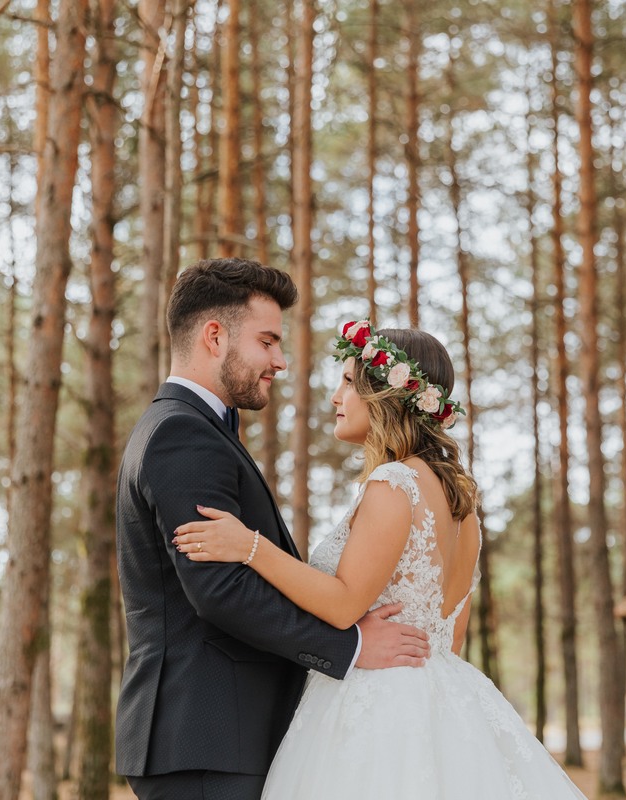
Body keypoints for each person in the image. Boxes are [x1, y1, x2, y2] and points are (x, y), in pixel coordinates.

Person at [174, 321, 588, 799]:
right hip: (448, 701)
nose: (335, 396)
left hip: (376, 706)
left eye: (348, 382)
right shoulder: (462, 503)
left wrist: (249, 546)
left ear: (386, 395)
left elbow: (345, 604)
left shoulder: (394, 483)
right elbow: (451, 633)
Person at [115, 261, 432, 800]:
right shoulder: (181, 436)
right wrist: (349, 646)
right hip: (205, 737)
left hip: (220, 736)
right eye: (267, 341)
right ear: (215, 336)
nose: (280, 361)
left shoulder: (198, 429)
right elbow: (218, 591)